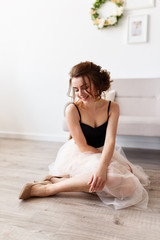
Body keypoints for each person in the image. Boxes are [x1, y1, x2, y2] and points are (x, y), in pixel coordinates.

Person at [19, 61, 150, 210]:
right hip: (81, 154)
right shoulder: (72, 110)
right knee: (113, 177)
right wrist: (105, 165)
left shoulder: (113, 107)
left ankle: (62, 181)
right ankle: (47, 189)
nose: (80, 94)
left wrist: (106, 162)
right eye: (76, 89)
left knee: (130, 189)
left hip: (103, 151)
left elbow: (110, 140)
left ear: (97, 83)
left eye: (85, 87)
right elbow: (82, 146)